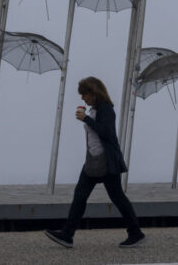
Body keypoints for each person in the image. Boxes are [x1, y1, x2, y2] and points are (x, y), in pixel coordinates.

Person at [44, 76, 146, 249]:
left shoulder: (106, 109)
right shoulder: (94, 109)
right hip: (93, 161)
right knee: (80, 195)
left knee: (117, 197)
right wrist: (87, 119)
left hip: (106, 161)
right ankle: (67, 235)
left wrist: (86, 119)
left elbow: (107, 133)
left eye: (84, 94)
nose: (82, 98)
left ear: (94, 92)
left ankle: (135, 233)